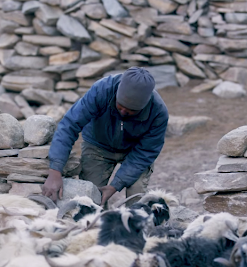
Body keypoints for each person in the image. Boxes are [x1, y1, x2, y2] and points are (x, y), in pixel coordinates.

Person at [42, 68, 169, 207]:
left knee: (136, 196)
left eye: (130, 111)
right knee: (90, 197)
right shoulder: (102, 90)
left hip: (134, 151)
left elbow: (146, 152)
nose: (123, 112)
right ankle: (99, 225)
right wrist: (55, 170)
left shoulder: (158, 112)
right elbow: (70, 125)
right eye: (120, 107)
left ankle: (135, 223)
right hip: (98, 146)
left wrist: (115, 186)